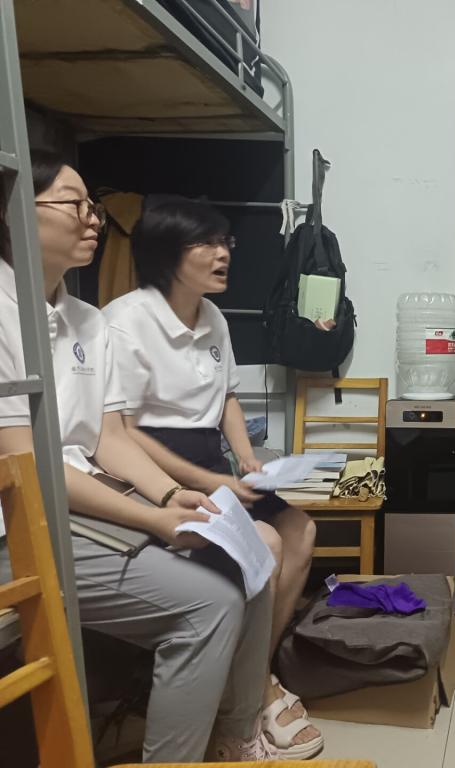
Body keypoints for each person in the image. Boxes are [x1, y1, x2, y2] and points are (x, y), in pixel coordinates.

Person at [0, 152, 277, 761]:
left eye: (92, 206)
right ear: (14, 211)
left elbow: (109, 438)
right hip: (21, 521)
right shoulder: (23, 315)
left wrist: (170, 495)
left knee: (252, 555)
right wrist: (154, 515)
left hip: (88, 494)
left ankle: (237, 733)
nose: (92, 218)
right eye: (74, 203)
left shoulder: (85, 320)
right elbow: (27, 469)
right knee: (211, 603)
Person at [101, 195, 322, 760]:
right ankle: (252, 696)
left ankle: (253, 675)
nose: (223, 254)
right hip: (152, 468)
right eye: (207, 243)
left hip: (211, 459)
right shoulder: (126, 321)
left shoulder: (213, 317)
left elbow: (226, 398)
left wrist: (246, 459)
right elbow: (125, 434)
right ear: (167, 254)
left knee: (301, 532)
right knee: (265, 545)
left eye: (226, 242)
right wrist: (207, 479)